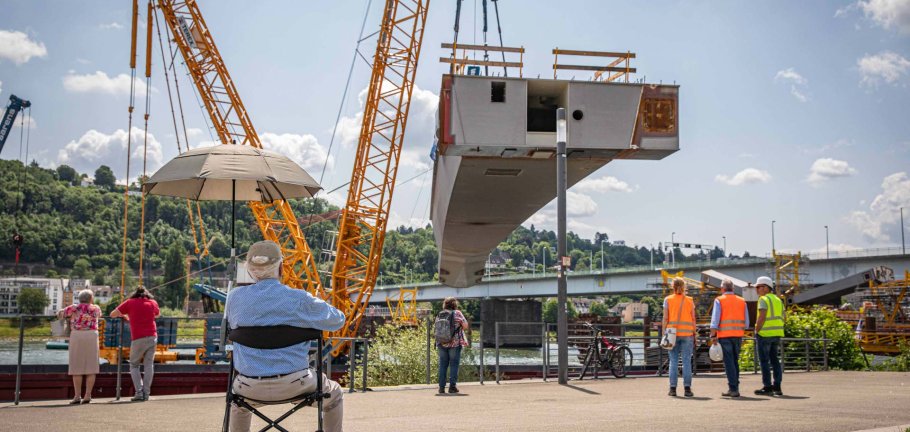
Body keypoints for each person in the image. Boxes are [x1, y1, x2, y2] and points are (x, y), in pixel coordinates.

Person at [226, 240, 346, 432]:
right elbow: (338, 320)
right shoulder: (299, 299)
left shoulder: (233, 298)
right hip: (296, 384)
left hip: (248, 385)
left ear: (249, 270)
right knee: (335, 394)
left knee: (238, 404)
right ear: (281, 268)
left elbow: (232, 327)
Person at [111, 286, 160, 402]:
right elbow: (157, 315)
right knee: (149, 365)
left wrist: (125, 315)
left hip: (138, 337)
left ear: (135, 294)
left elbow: (112, 314)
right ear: (146, 294)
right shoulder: (152, 302)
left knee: (134, 365)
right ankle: (146, 393)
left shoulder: (130, 302)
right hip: (152, 336)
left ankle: (139, 392)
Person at [57, 289, 101, 404]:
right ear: (91, 298)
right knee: (91, 366)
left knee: (76, 367)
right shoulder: (96, 308)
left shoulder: (73, 307)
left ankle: (77, 396)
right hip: (92, 335)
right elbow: (99, 315)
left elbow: (60, 315)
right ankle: (88, 395)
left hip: (77, 335)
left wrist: (62, 311)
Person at [709, 279, 749, 398]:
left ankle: (733, 389)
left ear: (722, 289)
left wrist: (713, 335)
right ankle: (734, 387)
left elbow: (715, 320)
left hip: (724, 336)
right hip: (738, 335)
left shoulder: (719, 300)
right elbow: (747, 323)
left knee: (729, 362)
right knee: (735, 362)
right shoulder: (742, 301)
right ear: (733, 289)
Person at [663, 277, 696, 397]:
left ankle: (673, 389)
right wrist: (694, 333)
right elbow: (693, 318)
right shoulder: (690, 300)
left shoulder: (668, 299)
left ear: (672, 286)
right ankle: (687, 389)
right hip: (687, 334)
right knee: (687, 361)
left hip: (672, 333)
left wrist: (664, 332)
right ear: (684, 287)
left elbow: (665, 318)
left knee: (673, 361)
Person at [754, 276, 785, 396]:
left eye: (759, 287)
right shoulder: (778, 300)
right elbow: (784, 317)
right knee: (775, 360)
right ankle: (777, 386)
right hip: (777, 333)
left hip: (764, 334)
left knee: (764, 361)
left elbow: (761, 317)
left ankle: (767, 387)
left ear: (766, 288)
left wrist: (756, 330)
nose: (757, 289)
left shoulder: (763, 299)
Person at [436, 297, 469, 394]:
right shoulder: (457, 313)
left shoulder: (440, 314)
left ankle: (441, 388)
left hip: (441, 342)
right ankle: (452, 387)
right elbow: (465, 326)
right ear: (454, 304)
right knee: (454, 364)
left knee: (443, 365)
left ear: (445, 304)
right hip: (454, 343)